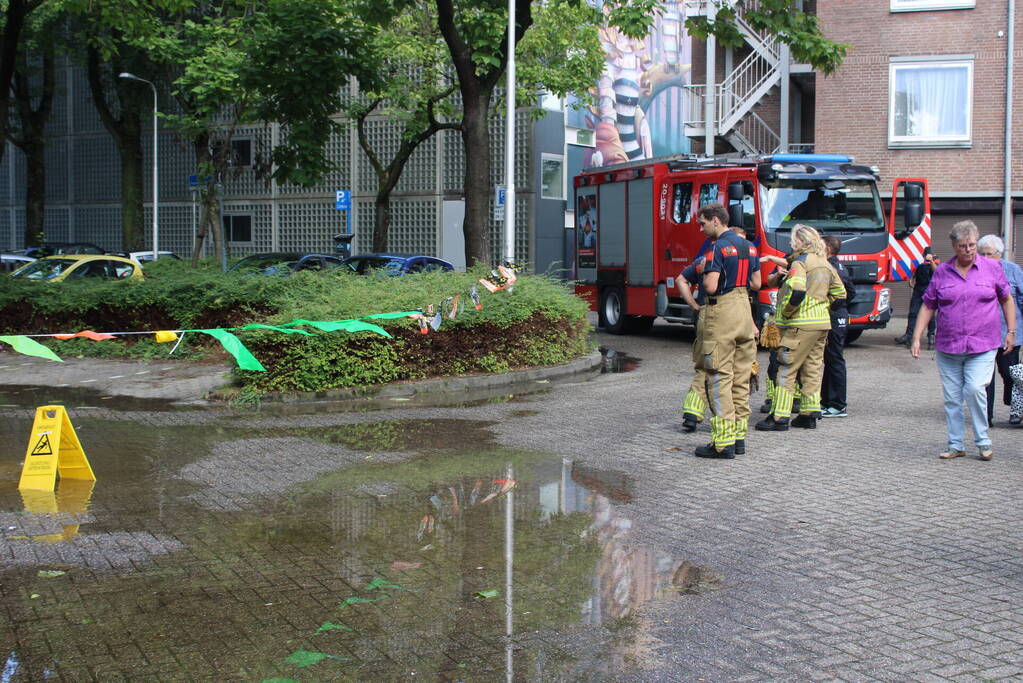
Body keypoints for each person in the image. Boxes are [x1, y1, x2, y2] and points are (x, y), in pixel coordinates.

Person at [910, 221, 1016, 461]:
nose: (968, 250)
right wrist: (916, 337)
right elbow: (928, 306)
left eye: (971, 245)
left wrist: (1011, 331)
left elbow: (1006, 300)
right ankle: (955, 444)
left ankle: (983, 440)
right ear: (954, 246)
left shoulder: (992, 268)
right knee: (952, 397)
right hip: (949, 347)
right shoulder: (942, 272)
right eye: (962, 246)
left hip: (983, 344)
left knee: (975, 388)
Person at [756, 224, 845, 432]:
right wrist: (822, 309)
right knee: (812, 370)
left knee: (786, 369)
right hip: (821, 325)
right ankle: (808, 414)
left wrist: (786, 313)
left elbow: (797, 291)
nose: (790, 243)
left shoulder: (800, 263)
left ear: (801, 242)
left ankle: (778, 417)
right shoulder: (825, 264)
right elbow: (840, 295)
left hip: (798, 325)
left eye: (793, 240)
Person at [690, 203, 760, 458]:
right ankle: (739, 439)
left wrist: (703, 271)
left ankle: (722, 443)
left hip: (723, 313)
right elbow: (757, 282)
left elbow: (710, 286)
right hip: (744, 311)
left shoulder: (717, 248)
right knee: (741, 379)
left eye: (703, 223)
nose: (701, 228)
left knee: (718, 378)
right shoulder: (750, 246)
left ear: (716, 221)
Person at [978, 235, 1023, 425]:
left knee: (1010, 373)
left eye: (991, 254)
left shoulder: (1012, 270)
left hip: (1009, 333)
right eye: (983, 254)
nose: (987, 258)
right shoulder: (974, 271)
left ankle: (1015, 408)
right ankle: (986, 417)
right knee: (985, 379)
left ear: (999, 253)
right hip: (984, 335)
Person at [821, 236, 854, 417]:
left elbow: (846, 294)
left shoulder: (832, 267)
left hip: (835, 317)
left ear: (827, 248)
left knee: (835, 359)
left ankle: (838, 404)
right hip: (838, 315)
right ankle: (826, 401)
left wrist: (835, 309)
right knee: (830, 359)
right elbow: (851, 292)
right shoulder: (837, 265)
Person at [895, 247, 936, 348]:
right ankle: (908, 336)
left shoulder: (935, 264)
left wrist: (931, 261)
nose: (925, 256)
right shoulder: (920, 265)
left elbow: (937, 272)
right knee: (913, 313)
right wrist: (912, 279)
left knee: (930, 315)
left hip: (929, 290)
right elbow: (915, 273)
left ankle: (931, 336)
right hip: (918, 291)